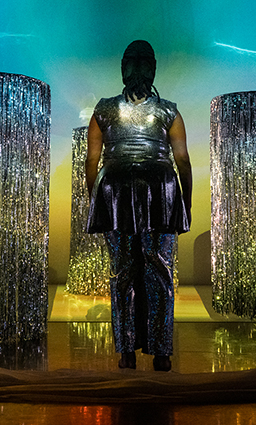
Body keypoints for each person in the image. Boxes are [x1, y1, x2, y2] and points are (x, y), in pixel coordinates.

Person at [86, 40, 192, 372]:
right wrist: (184, 203)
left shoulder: (103, 109)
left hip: (116, 191)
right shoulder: (169, 111)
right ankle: (161, 352)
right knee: (159, 271)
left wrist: (97, 200)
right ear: (153, 68)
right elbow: (183, 161)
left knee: (122, 274)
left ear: (123, 67)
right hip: (160, 192)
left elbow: (92, 161)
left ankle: (127, 351)